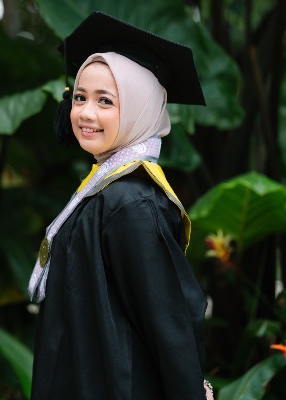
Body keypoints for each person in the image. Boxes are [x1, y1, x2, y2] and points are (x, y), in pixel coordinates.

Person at [28, 11, 214, 400]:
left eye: (106, 101)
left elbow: (168, 323)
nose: (85, 113)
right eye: (80, 97)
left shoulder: (132, 203)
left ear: (139, 108)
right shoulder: (104, 191)